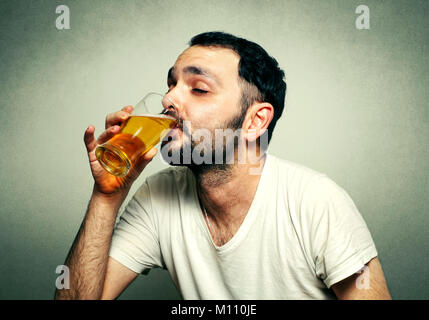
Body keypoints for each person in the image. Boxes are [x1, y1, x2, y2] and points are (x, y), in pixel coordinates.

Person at [55, 32, 391, 300]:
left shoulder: (316, 202)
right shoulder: (159, 196)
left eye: (199, 89)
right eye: (172, 84)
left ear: (255, 122)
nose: (168, 99)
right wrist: (106, 196)